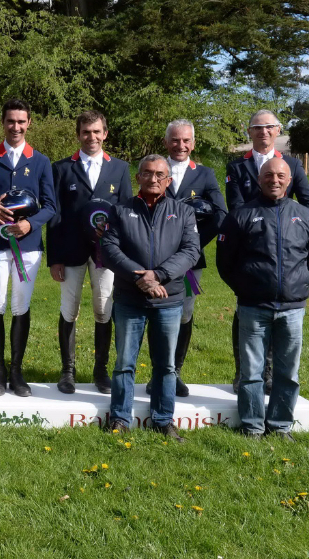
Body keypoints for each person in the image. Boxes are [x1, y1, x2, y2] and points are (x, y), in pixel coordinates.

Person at [217, 158, 309, 440]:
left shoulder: (305, 216)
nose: (274, 179)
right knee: (251, 372)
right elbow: (225, 263)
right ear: (259, 179)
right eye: (268, 175)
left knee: (287, 373)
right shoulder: (240, 215)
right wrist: (246, 288)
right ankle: (252, 425)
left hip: (292, 309)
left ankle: (279, 426)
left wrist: (298, 286)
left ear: (289, 181)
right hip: (253, 307)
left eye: (280, 175)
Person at [100, 155, 199, 440]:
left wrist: (159, 275)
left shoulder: (183, 213)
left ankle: (163, 419)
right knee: (124, 363)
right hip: (130, 299)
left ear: (168, 180)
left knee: (166, 365)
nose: (153, 179)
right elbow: (109, 250)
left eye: (159, 175)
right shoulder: (119, 211)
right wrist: (139, 277)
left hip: (169, 300)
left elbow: (191, 251)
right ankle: (119, 418)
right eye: (147, 173)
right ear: (138, 178)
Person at [225, 109, 309, 392]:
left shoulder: (292, 164)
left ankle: (267, 373)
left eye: (269, 127)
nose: (263, 132)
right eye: (257, 127)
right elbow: (235, 209)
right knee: (246, 311)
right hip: (248, 247)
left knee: (279, 315)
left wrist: (295, 225)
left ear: (278, 131)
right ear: (249, 132)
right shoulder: (236, 167)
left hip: (283, 249)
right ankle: (243, 371)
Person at [0, 99, 56, 396]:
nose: (15, 127)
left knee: (21, 305)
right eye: (10, 121)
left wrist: (31, 225)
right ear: (2, 123)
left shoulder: (41, 161)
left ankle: (16, 372)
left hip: (28, 246)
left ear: (29, 123)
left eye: (21, 122)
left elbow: (51, 206)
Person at [46, 111, 132, 394]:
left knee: (103, 309)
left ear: (105, 133)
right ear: (78, 134)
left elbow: (126, 213)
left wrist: (121, 254)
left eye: (97, 132)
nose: (91, 137)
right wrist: (54, 257)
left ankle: (101, 371)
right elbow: (55, 215)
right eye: (86, 132)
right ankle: (67, 371)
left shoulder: (119, 169)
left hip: (105, 254)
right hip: (70, 252)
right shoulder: (62, 168)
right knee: (69, 310)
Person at [152, 119, 227, 396]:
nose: (180, 145)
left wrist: (192, 245)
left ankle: (175, 373)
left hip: (190, 261)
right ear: (166, 142)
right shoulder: (154, 170)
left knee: (184, 313)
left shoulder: (205, 175)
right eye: (175, 140)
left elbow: (220, 215)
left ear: (193, 143)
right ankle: (155, 374)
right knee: (156, 313)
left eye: (186, 140)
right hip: (154, 259)